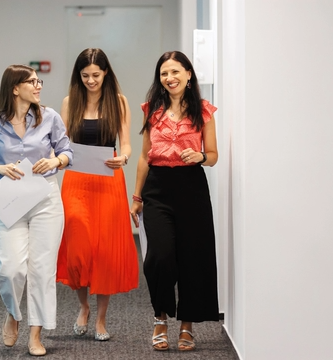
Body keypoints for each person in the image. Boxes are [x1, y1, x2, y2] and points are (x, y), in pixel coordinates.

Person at [0, 64, 73, 357]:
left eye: (38, 80)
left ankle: (35, 333)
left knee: (42, 270)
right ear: (15, 88)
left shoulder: (50, 117)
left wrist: (56, 162)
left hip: (45, 199)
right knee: (10, 269)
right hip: (10, 200)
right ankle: (14, 313)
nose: (38, 85)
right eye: (32, 81)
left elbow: (68, 151)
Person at [130, 51, 219, 351]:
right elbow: (144, 156)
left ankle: (187, 326)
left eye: (175, 72)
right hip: (157, 188)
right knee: (160, 256)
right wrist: (136, 197)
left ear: (189, 74)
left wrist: (201, 156)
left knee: (193, 258)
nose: (170, 78)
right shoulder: (151, 110)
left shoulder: (203, 111)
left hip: (192, 187)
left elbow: (214, 156)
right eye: (164, 73)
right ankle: (160, 317)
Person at [56, 48, 139, 341]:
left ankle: (101, 318)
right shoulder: (70, 102)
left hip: (108, 180)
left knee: (104, 250)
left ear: (106, 73)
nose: (91, 80)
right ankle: (83, 307)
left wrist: (124, 158)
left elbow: (126, 144)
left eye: (96, 75)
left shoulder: (119, 102)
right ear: (78, 76)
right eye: (85, 75)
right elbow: (62, 144)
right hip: (76, 180)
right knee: (77, 247)